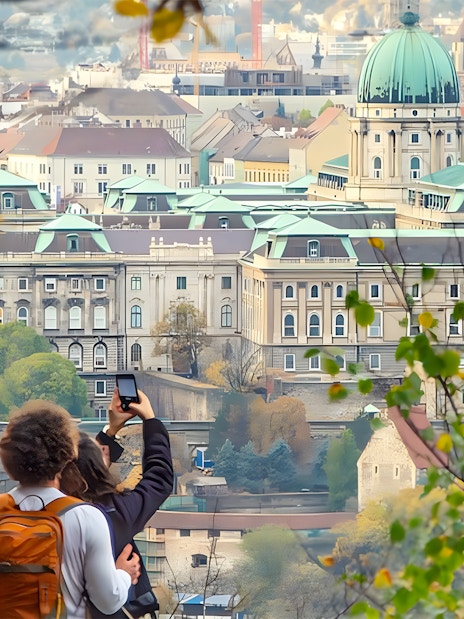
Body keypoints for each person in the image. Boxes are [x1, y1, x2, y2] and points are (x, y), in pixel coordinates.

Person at [0, 399, 141, 619]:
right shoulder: (86, 517)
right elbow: (108, 600)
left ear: (9, 465)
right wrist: (123, 573)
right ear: (67, 457)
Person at [63, 388, 174, 619]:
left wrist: (111, 430)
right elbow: (159, 478)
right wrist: (150, 420)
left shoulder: (51, 509)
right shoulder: (115, 513)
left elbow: (83, 465)